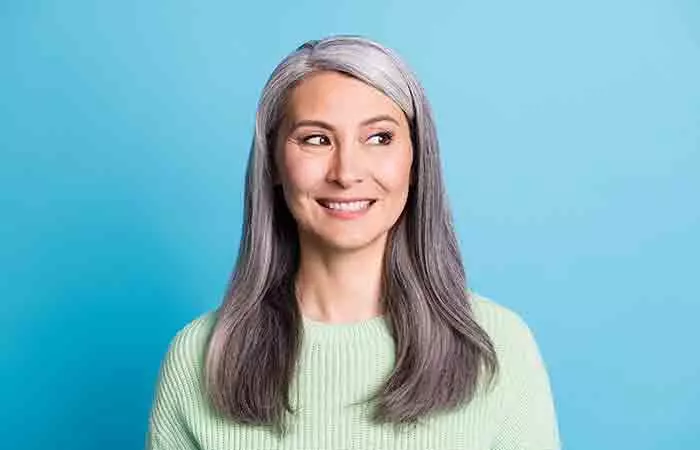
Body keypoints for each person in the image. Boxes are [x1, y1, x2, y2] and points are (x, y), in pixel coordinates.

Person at [145, 35, 561, 450]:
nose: (346, 173)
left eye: (379, 137)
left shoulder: (497, 348)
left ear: (416, 160)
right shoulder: (200, 358)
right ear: (273, 162)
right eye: (316, 139)